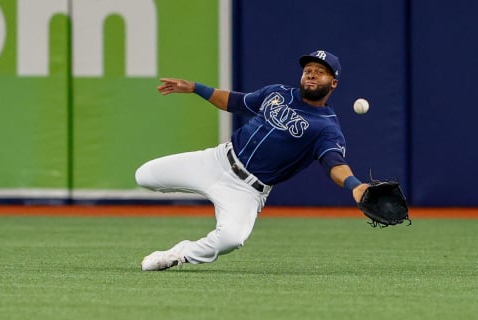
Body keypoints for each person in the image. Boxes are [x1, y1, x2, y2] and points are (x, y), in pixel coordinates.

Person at [136, 50, 369, 271]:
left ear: (333, 83)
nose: (311, 73)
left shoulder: (327, 128)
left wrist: (354, 185)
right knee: (144, 176)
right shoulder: (277, 92)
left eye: (320, 71)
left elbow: (334, 163)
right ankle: (201, 189)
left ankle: (179, 254)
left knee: (231, 238)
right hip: (217, 160)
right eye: (308, 69)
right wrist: (196, 88)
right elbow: (236, 102)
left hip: (246, 189)